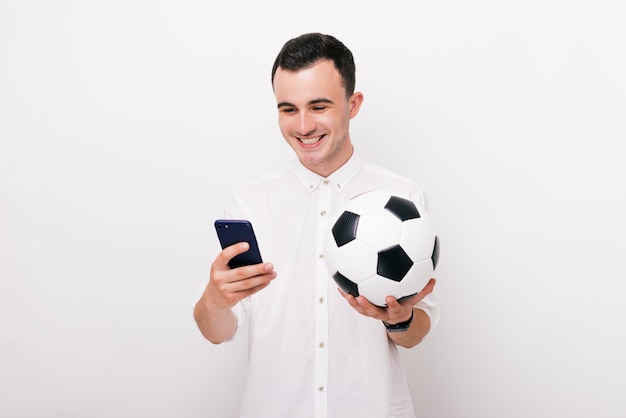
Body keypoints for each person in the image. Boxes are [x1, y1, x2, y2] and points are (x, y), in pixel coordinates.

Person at [194, 32, 439, 418]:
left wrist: (401, 320)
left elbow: (417, 332)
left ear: (353, 105)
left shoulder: (401, 197)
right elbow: (216, 331)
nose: (304, 126)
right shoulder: (251, 201)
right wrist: (214, 300)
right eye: (288, 109)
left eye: (319, 106)